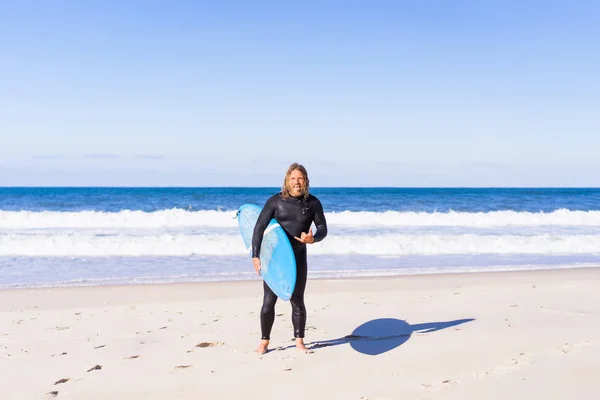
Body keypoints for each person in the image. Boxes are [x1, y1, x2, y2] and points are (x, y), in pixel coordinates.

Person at [251, 162, 328, 354]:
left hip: (298, 258)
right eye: (293, 178)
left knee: (297, 300)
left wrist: (313, 239)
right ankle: (264, 342)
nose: (297, 181)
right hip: (275, 259)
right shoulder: (275, 202)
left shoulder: (313, 203)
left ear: (306, 181)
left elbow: (323, 229)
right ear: (287, 180)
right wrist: (255, 255)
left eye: (300, 178)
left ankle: (299, 341)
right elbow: (258, 228)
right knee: (269, 300)